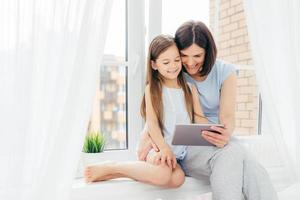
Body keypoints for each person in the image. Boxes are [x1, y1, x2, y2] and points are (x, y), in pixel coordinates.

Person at [137, 21, 278, 200]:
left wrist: (224, 135)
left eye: (197, 55)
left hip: (213, 134)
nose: (189, 62)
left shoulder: (225, 71)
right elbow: (162, 110)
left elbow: (227, 117)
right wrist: (147, 134)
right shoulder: (175, 72)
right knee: (236, 156)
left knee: (250, 166)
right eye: (184, 56)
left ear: (208, 52)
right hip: (187, 143)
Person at [84, 34, 209, 187]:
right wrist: (163, 148)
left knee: (178, 180)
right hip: (157, 148)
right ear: (154, 65)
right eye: (166, 62)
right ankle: (114, 166)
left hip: (177, 152)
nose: (173, 66)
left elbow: (199, 117)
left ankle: (117, 172)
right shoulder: (153, 90)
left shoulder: (190, 89)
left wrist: (212, 130)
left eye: (177, 60)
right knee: (163, 175)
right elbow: (152, 124)